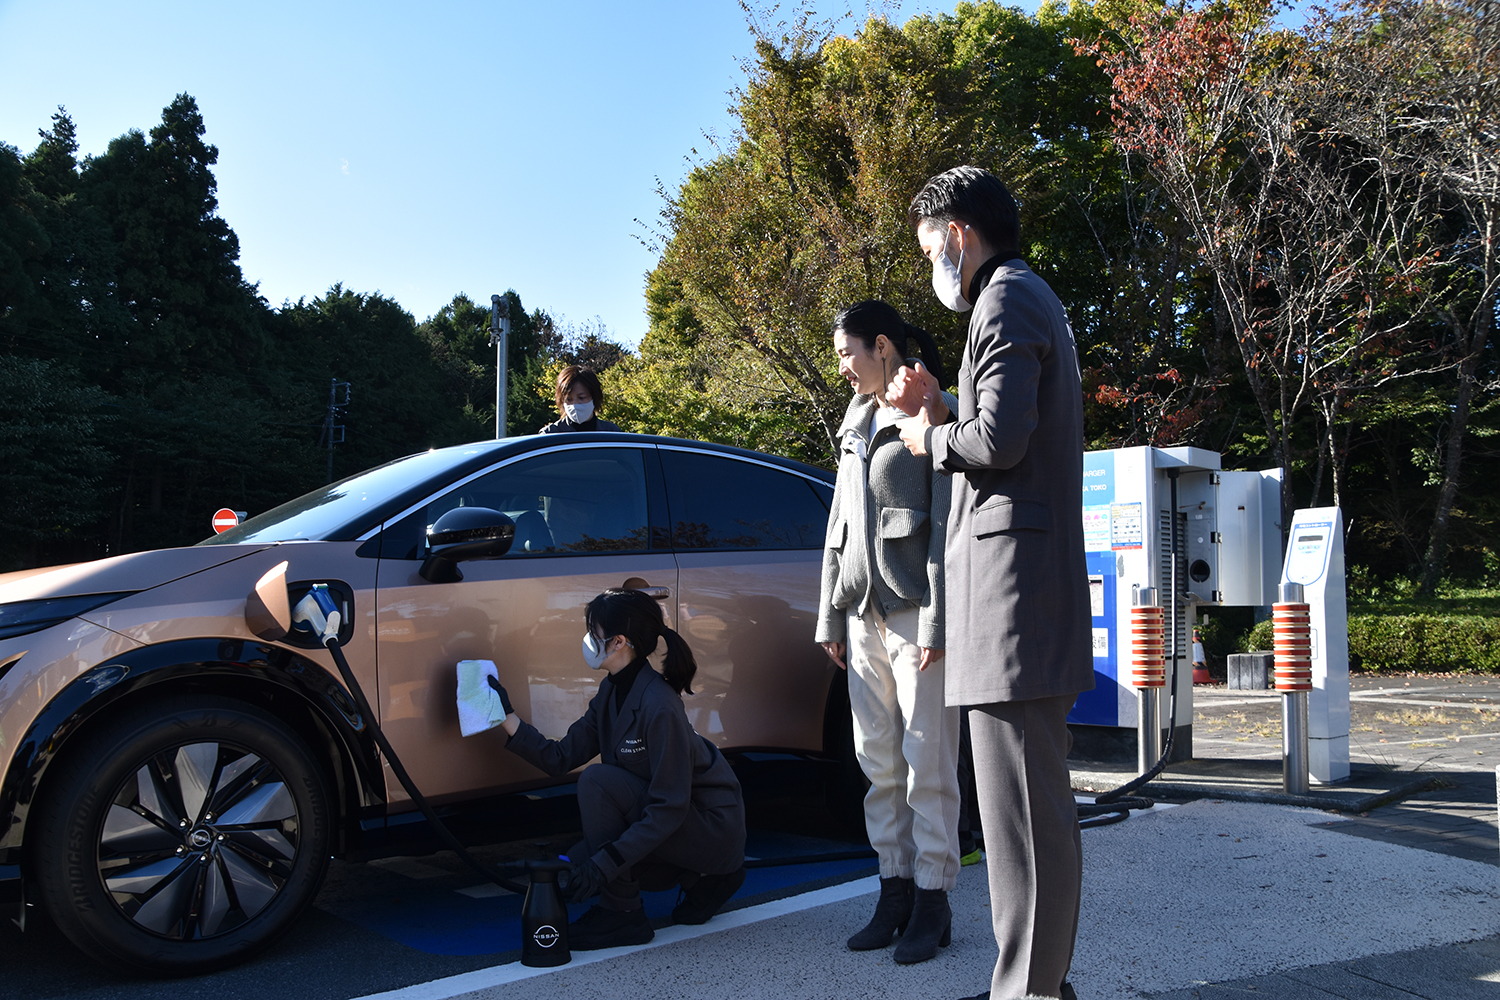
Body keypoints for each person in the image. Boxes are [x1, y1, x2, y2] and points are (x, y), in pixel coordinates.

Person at [888, 165, 1093, 1000]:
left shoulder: (1005, 298)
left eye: (931, 243)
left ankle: (1032, 994)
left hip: (1013, 592)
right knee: (1016, 815)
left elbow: (999, 442)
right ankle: (1035, 985)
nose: (932, 260)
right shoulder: (1019, 296)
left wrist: (924, 439)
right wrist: (942, 407)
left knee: (1022, 820)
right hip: (1012, 590)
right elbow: (1000, 430)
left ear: (960, 233)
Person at [815, 299, 961, 965]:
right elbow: (838, 523)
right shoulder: (854, 419)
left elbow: (947, 528)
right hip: (861, 612)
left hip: (914, 612)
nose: (841, 365)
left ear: (882, 345)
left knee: (926, 761)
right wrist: (829, 615)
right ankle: (893, 891)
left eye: (848, 352)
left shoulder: (935, 408)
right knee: (877, 764)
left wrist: (937, 618)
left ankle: (934, 899)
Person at [494, 588, 747, 949]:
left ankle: (622, 916)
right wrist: (506, 717)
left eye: (594, 631)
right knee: (567, 874)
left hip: (705, 827)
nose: (587, 639)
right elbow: (560, 758)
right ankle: (698, 880)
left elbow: (669, 806)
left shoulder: (659, 706)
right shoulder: (611, 692)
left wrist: (604, 866)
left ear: (619, 642)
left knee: (598, 784)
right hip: (666, 821)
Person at [539, 365, 621, 433]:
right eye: (568, 399)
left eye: (581, 398)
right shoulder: (550, 434)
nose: (574, 405)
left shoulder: (611, 432)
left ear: (594, 397)